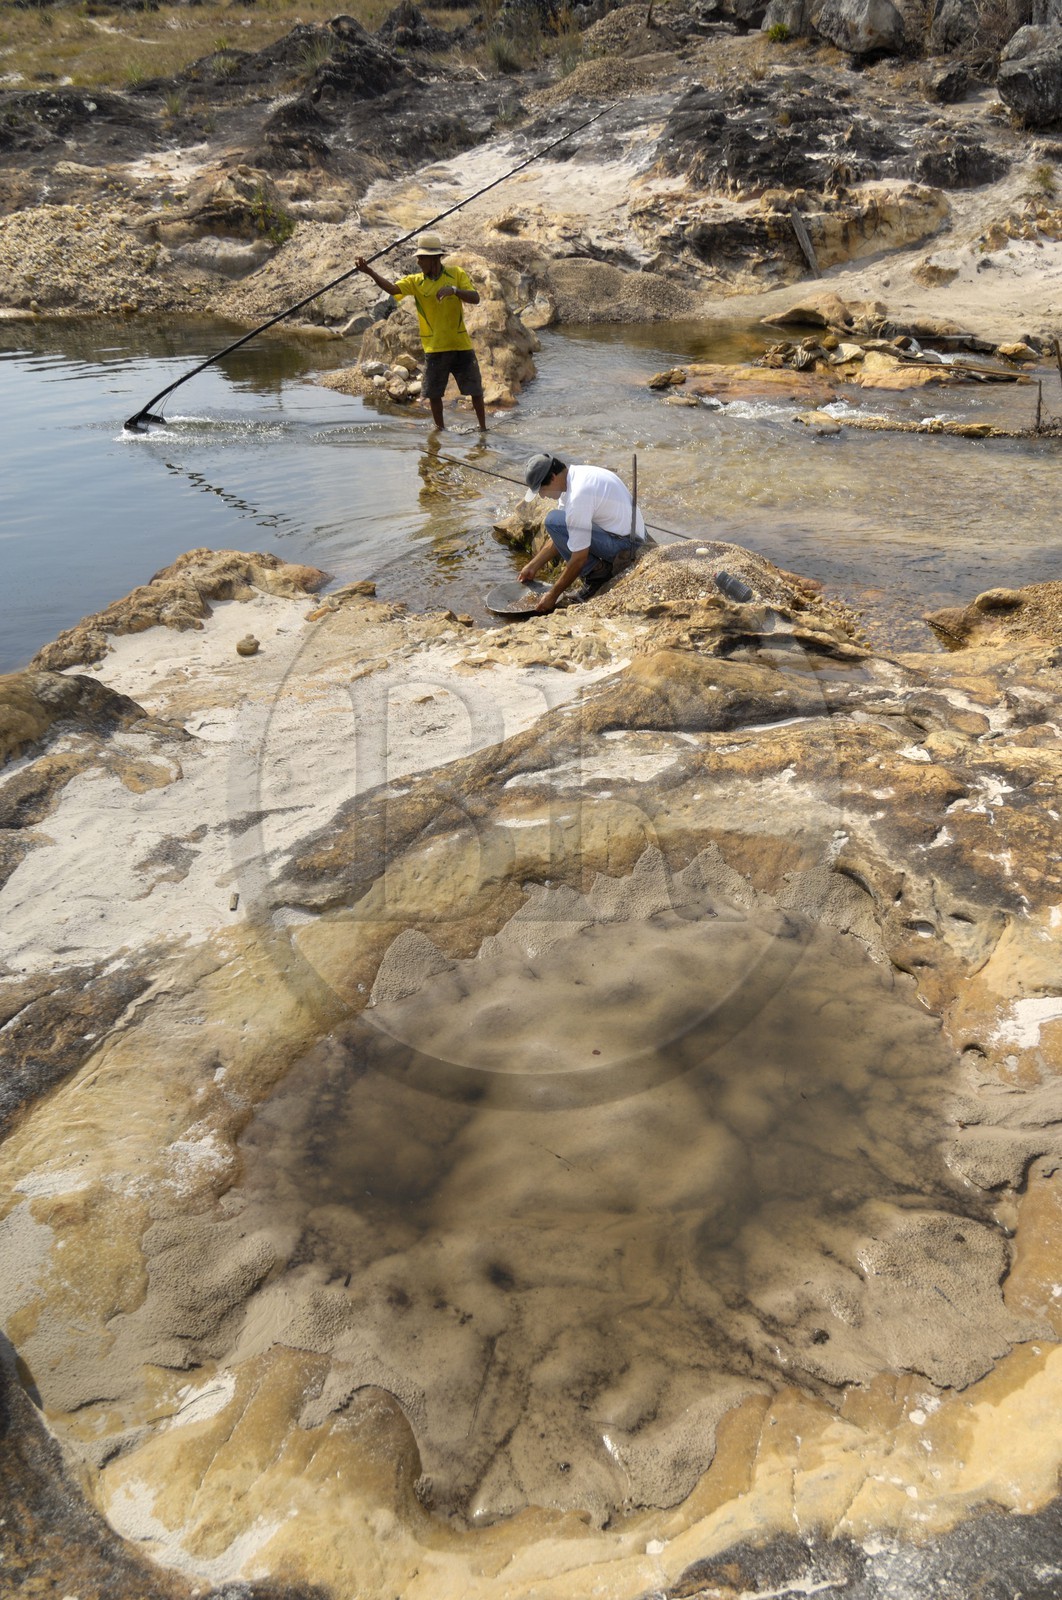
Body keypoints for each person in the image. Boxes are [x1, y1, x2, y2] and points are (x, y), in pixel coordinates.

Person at [354, 232, 487, 431]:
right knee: (434, 394)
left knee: (475, 390)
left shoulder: (456, 274)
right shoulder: (416, 281)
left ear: (434, 259)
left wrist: (455, 291)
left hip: (460, 345)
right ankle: (440, 433)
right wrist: (369, 272)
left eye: (421, 258)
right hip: (434, 347)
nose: (418, 262)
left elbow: (475, 298)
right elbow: (392, 289)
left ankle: (483, 430)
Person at [518, 453, 647, 613]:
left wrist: (553, 595)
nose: (543, 496)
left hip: (627, 546)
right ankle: (600, 567)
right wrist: (534, 565)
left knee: (552, 520)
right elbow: (564, 532)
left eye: (542, 490)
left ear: (552, 478)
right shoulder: (576, 477)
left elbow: (579, 558)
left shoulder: (578, 496)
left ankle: (596, 575)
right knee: (556, 522)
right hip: (631, 534)